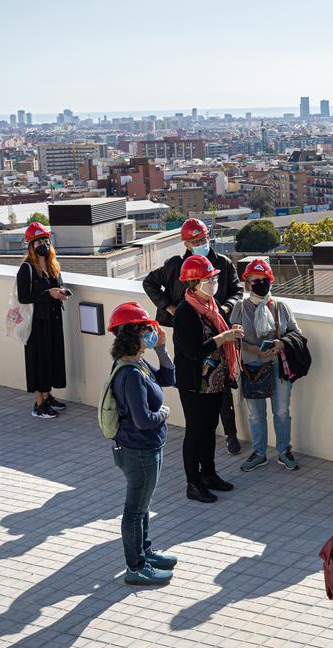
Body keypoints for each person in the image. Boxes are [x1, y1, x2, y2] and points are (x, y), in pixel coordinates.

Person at [143, 218, 243, 455]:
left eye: (204, 239)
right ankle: (198, 434)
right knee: (193, 380)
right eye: (196, 241)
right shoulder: (176, 266)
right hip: (189, 333)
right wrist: (170, 308)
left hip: (219, 330)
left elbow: (237, 290)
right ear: (186, 244)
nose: (202, 244)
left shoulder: (223, 263)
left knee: (221, 386)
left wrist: (225, 308)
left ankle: (230, 434)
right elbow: (150, 283)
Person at [105, 302, 179, 586]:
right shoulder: (131, 373)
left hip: (146, 448)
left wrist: (161, 348)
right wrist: (165, 413)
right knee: (135, 509)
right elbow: (144, 420)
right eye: (148, 329)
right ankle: (135, 567)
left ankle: (145, 553)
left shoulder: (136, 362)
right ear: (135, 334)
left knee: (143, 506)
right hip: (138, 451)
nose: (152, 331)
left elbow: (167, 378)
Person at [172, 254, 244, 503]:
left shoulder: (210, 307)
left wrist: (229, 334)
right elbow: (193, 351)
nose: (214, 281)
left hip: (214, 381)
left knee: (210, 429)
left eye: (214, 277)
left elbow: (216, 338)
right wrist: (222, 339)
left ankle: (209, 474)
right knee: (195, 432)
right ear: (194, 284)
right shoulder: (186, 312)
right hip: (194, 384)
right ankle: (193, 483)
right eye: (209, 278)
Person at [231, 258, 301, 472]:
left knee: (281, 412)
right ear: (247, 284)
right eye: (256, 280)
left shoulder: (281, 307)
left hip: (278, 369)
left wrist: (281, 343)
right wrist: (254, 350)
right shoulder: (240, 309)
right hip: (252, 369)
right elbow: (233, 338)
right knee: (255, 414)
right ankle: (259, 452)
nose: (261, 284)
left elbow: (296, 334)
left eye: (265, 280)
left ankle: (283, 451)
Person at [16, 221, 70, 419]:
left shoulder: (52, 265)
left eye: (46, 240)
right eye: (39, 241)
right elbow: (24, 297)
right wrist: (49, 294)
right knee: (39, 361)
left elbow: (58, 286)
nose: (44, 244)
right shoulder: (27, 268)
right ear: (31, 245)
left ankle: (48, 397)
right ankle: (39, 404)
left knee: (51, 359)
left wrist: (62, 293)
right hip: (37, 324)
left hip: (53, 320)